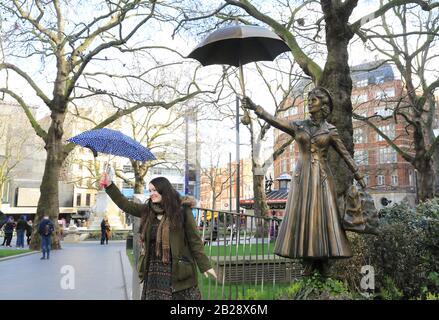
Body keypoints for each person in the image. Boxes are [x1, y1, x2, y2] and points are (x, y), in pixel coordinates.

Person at [243, 87, 366, 276]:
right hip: (301, 177)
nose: (310, 102)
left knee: (323, 217)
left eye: (314, 100)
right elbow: (275, 120)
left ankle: (324, 260)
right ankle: (307, 260)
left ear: (324, 105)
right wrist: (256, 108)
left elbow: (345, 154)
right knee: (303, 217)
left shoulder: (330, 130)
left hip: (322, 178)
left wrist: (358, 175)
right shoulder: (299, 125)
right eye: (309, 99)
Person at [99, 174, 217, 300]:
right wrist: (109, 185)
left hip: (176, 269)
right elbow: (125, 205)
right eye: (150, 190)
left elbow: (195, 240)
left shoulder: (182, 210)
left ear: (164, 190)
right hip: (153, 270)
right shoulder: (148, 210)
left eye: (154, 190)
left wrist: (205, 265)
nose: (151, 193)